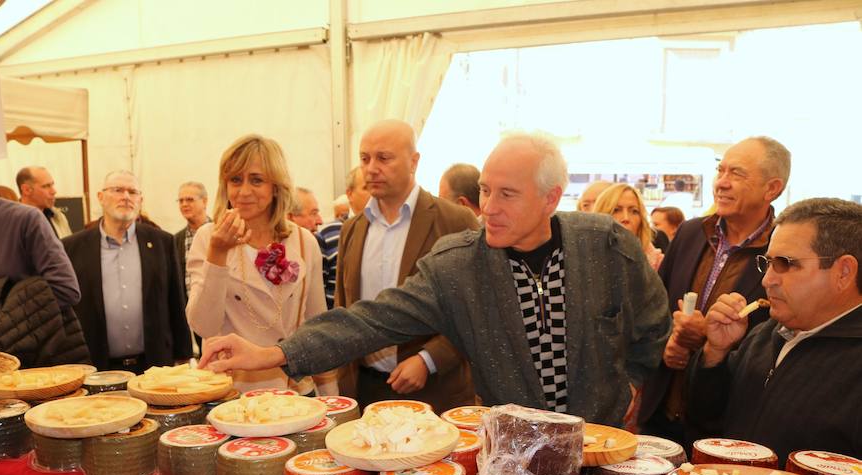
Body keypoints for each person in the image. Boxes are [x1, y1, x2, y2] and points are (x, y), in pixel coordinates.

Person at [200, 132, 670, 426]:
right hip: (514, 448)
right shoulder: (459, 264)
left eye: (507, 194)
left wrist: (632, 382)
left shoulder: (605, 245)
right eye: (485, 190)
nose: (488, 208)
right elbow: (371, 321)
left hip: (605, 441)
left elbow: (652, 322)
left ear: (550, 198)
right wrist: (274, 353)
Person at [638, 136, 791, 446]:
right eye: (720, 171)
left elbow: (778, 341)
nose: (721, 183)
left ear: (772, 188)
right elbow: (653, 311)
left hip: (723, 426)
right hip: (659, 413)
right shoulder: (692, 232)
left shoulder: (783, 253)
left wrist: (707, 339)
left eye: (737, 174)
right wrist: (668, 342)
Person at [686, 198, 862, 463]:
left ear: (844, 273)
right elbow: (708, 422)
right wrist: (715, 353)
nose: (767, 280)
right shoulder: (764, 335)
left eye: (785, 263)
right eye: (767, 263)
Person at [329, 119, 479, 412]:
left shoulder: (454, 221)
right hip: (366, 389)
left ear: (414, 161)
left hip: (435, 390)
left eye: (383, 158)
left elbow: (476, 308)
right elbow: (344, 307)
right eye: (365, 158)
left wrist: (429, 359)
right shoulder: (353, 229)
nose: (372, 167)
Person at [185, 134, 337, 395]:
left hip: (293, 391)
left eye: (256, 180)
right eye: (235, 180)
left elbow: (316, 327)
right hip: (229, 394)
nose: (243, 192)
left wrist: (330, 398)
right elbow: (203, 325)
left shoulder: (303, 242)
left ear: (276, 187)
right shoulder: (209, 237)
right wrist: (218, 254)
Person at [63, 170, 192, 373]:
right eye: (117, 190)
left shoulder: (162, 242)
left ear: (140, 200)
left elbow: (176, 300)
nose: (125, 197)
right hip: (96, 367)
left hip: (154, 366)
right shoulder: (72, 248)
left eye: (132, 192)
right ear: (100, 197)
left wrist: (184, 355)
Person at [0, 161, 80, 317]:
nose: (52, 191)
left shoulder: (25, 220)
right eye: (46, 186)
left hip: (8, 340)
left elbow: (65, 289)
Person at [318, 167, 368, 309]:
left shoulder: (386, 230)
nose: (374, 193)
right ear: (350, 194)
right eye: (366, 188)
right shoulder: (328, 234)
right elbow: (318, 292)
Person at [174, 181, 211, 354]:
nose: (184, 204)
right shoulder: (175, 240)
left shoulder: (221, 232)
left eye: (189, 199)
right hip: (192, 316)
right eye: (180, 201)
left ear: (205, 201)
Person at [593, 183, 663, 270]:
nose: (626, 218)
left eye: (634, 211)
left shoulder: (659, 264)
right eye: (616, 210)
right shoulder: (587, 259)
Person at [16, 166, 72, 238]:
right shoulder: (13, 223)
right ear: (26, 190)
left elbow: (69, 248)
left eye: (52, 185)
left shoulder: (58, 217)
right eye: (46, 186)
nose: (54, 191)